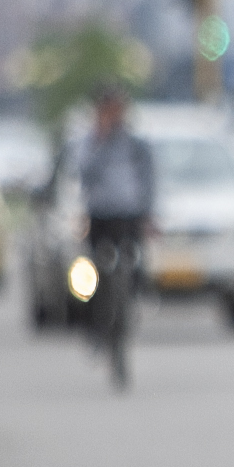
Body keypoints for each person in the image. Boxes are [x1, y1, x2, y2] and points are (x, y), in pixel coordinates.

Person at [79, 81, 154, 326]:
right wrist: (101, 139)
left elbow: (148, 179)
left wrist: (148, 213)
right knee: (95, 267)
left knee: (134, 260)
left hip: (128, 211)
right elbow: (84, 173)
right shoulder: (90, 142)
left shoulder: (135, 144)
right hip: (100, 212)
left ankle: (130, 305)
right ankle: (96, 322)